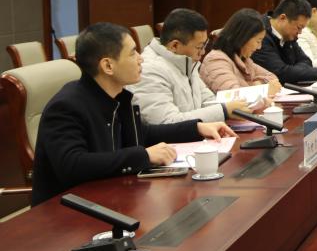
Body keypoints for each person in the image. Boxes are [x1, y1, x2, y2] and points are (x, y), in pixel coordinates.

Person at [31, 22, 236, 205]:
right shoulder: (66, 106)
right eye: (132, 53)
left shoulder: (119, 97)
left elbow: (142, 134)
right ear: (108, 65)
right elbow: (73, 164)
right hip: (70, 212)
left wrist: (196, 128)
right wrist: (143, 155)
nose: (141, 59)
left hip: (113, 197)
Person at [129, 8, 250, 125]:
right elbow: (167, 122)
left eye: (204, 46)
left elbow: (207, 100)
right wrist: (223, 111)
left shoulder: (185, 61)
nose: (203, 52)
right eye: (199, 47)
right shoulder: (149, 71)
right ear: (175, 45)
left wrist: (234, 107)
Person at [252, 0, 317, 84]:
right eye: (299, 27)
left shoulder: (288, 34)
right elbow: (281, 73)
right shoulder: (260, 34)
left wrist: (294, 71)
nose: (300, 32)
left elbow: (306, 61)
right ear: (282, 18)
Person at [200, 8, 281, 101]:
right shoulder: (216, 60)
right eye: (258, 41)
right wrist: (263, 89)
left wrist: (257, 84)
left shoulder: (243, 59)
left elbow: (273, 79)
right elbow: (233, 97)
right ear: (243, 37)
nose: (259, 47)